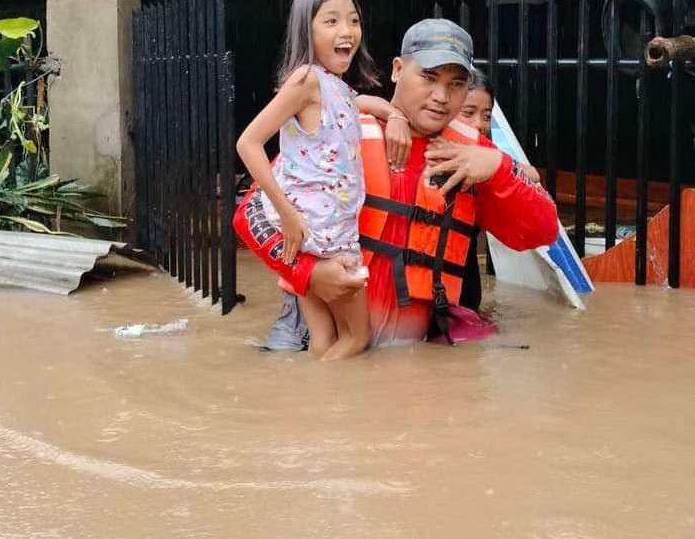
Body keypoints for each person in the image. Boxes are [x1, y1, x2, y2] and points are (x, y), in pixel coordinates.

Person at [235, 18, 560, 348]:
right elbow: (249, 216)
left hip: (408, 349)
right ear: (397, 69)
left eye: (456, 84)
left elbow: (543, 231)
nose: (441, 96)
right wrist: (310, 272)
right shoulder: (342, 129)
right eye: (428, 77)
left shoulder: (475, 155)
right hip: (310, 335)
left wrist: (500, 166)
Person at [235, 0, 379, 361]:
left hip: (319, 228)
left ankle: (311, 410)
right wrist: (285, 212)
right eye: (331, 22)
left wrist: (386, 109)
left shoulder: (337, 89)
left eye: (353, 20)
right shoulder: (306, 80)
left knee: (324, 341)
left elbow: (350, 102)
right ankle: (319, 403)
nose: (346, 31)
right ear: (306, 30)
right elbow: (247, 143)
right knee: (357, 338)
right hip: (324, 233)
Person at [454, 71, 541, 311]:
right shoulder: (428, 147)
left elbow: (533, 174)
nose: (480, 124)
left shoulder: (488, 157)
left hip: (468, 289)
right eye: (468, 113)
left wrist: (498, 165)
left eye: (486, 116)